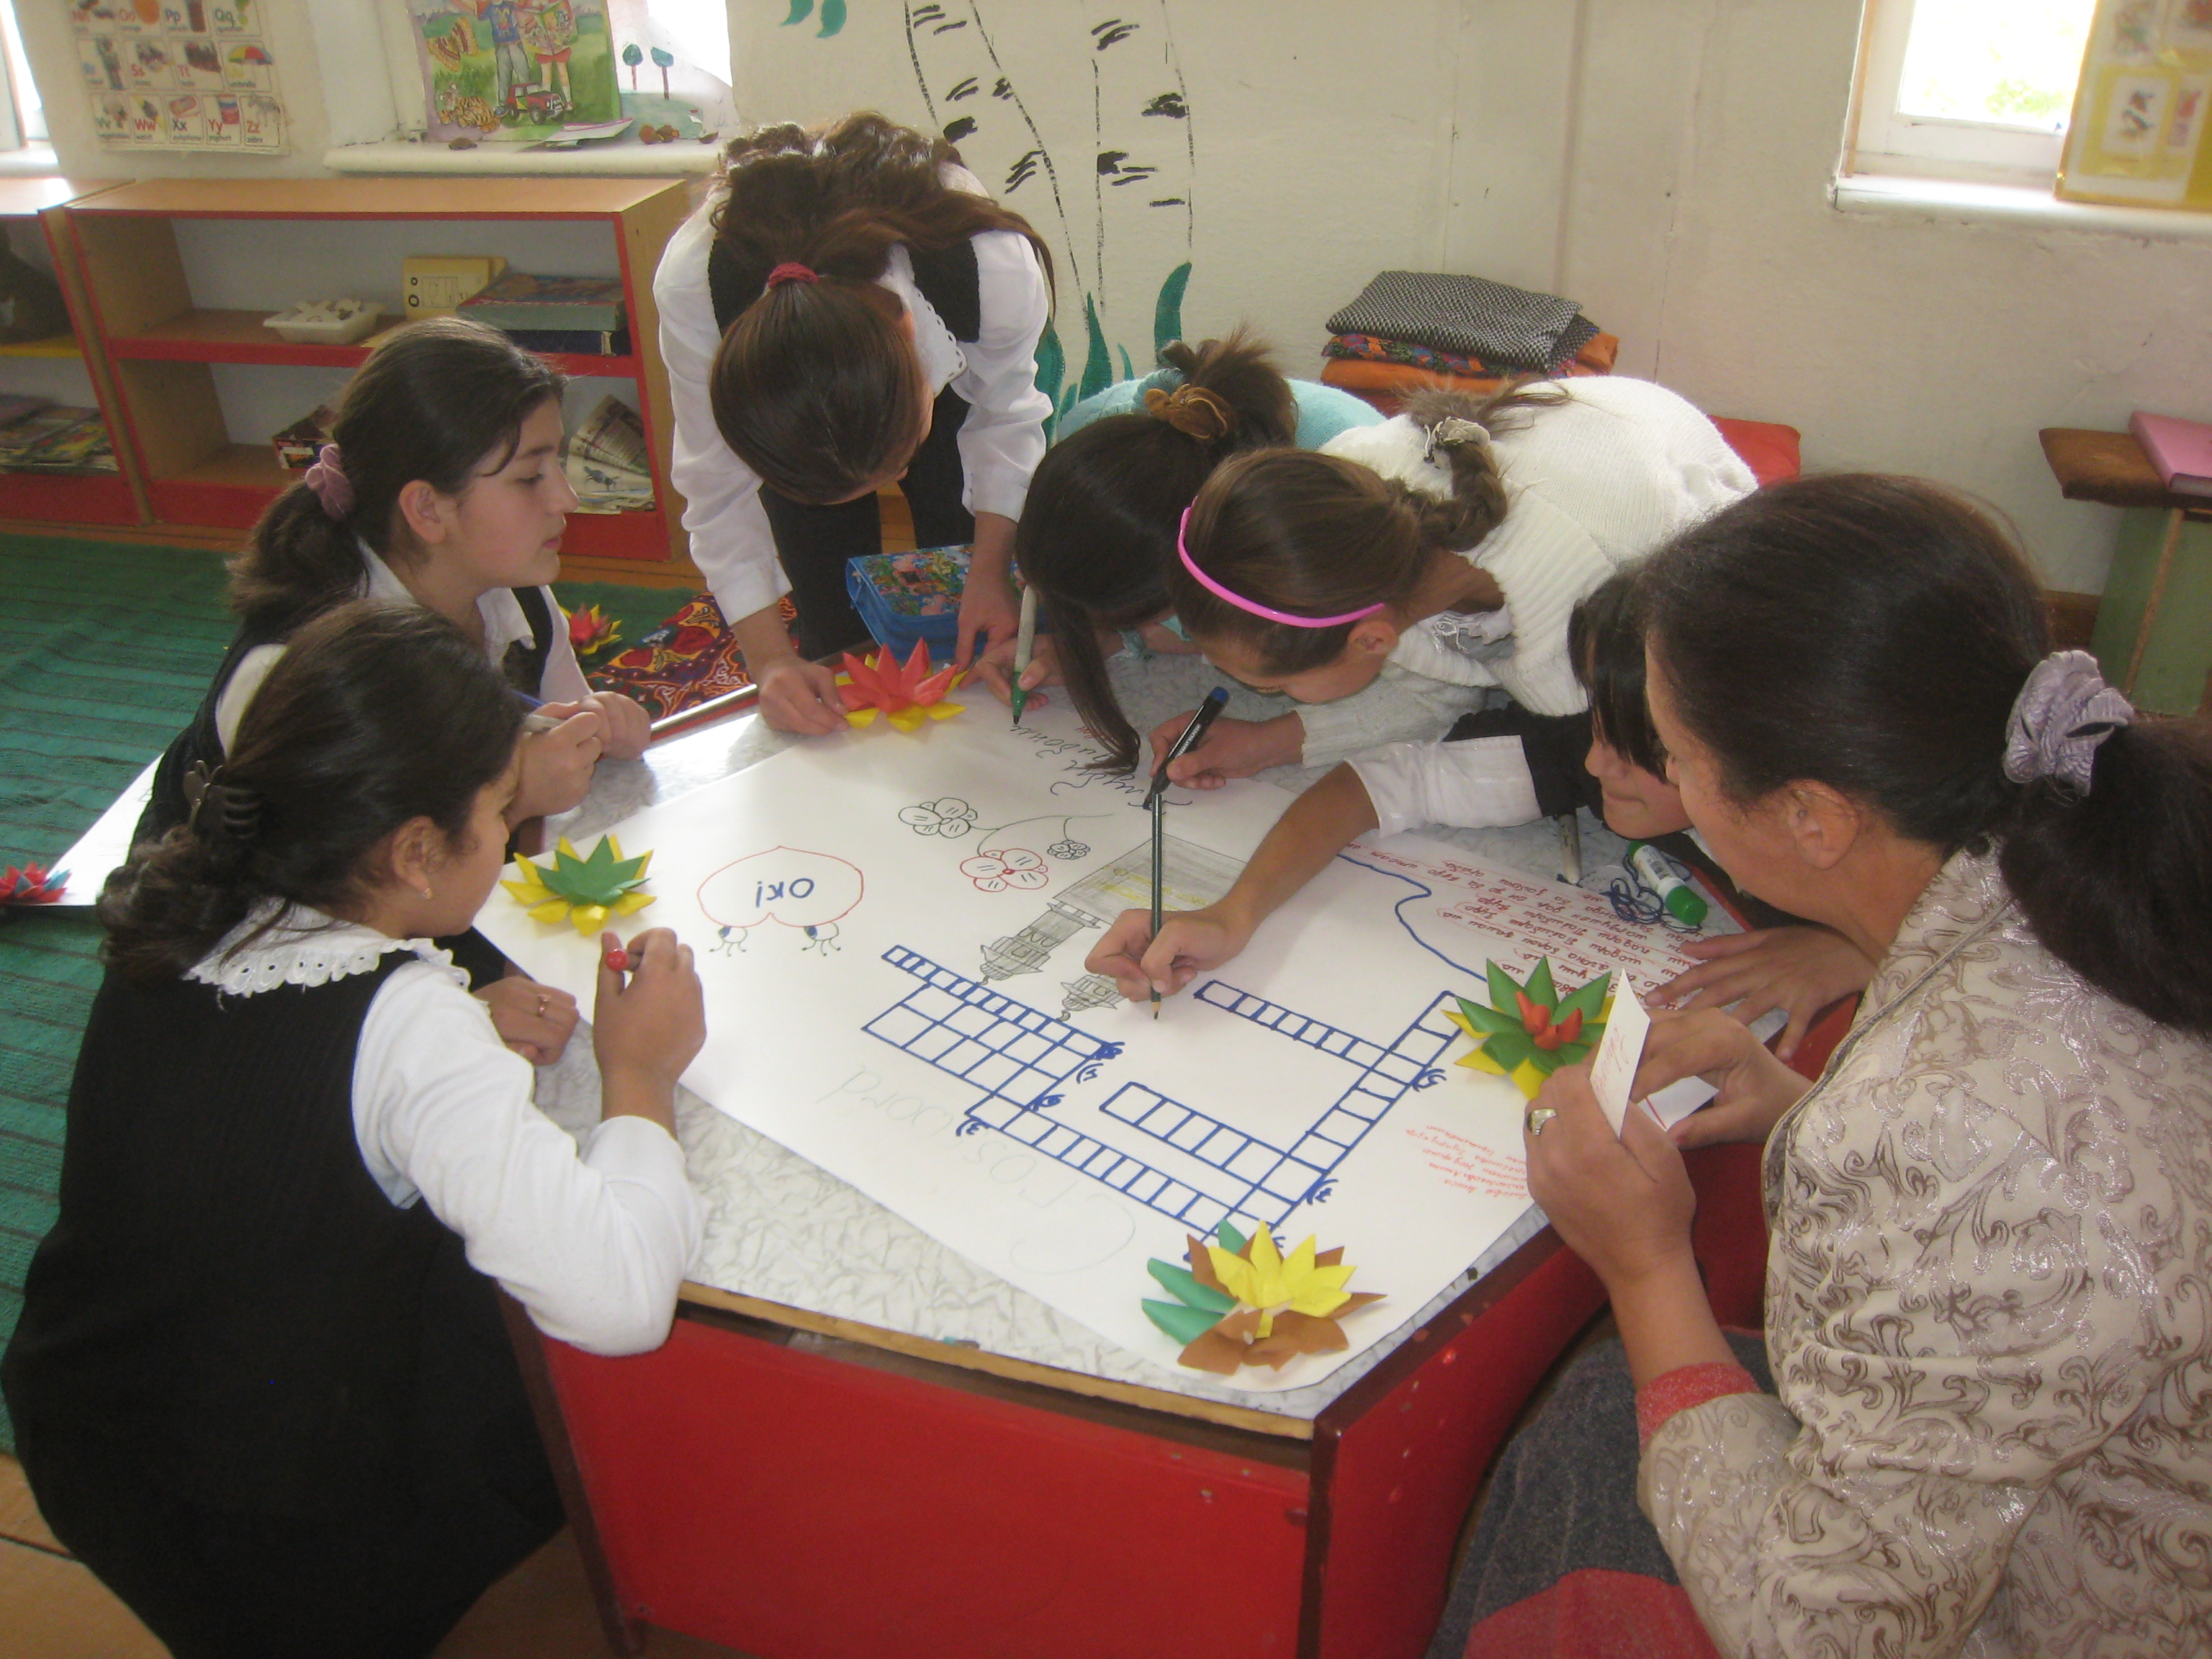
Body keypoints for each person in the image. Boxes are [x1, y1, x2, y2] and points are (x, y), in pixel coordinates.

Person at [1434, 475, 2212, 1658]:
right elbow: (2071, 1237)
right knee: (1598, 1416)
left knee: (1602, 1412)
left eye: (1680, 759)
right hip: (2082, 1475)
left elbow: (1820, 1631)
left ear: (1808, 815)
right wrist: (1801, 1103)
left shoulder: (1943, 1126)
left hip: (2074, 1606)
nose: (1668, 785)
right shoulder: (2070, 858)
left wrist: (1644, 1266)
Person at [2, 603, 706, 1659]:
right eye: (499, 809)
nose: (512, 830)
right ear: (419, 852)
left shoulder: (182, 903)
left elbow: (256, 1100)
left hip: (89, 1441)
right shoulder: (408, 1017)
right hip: (281, 1542)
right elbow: (622, 1302)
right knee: (551, 1323)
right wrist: (638, 1075)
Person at [1089, 571, 1873, 1063]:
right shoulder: (1600, 739)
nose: (1596, 765)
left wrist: (1862, 955)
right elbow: (1380, 785)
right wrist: (1234, 914)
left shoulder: (1887, 842)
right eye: (1595, 728)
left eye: (1639, 751)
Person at [137, 316, 646, 1034]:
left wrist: (598, 726)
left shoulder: (512, 591)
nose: (566, 497)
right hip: (277, 958)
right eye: (531, 475)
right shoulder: (300, 676)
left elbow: (560, 719)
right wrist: (462, 1003)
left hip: (437, 883)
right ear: (427, 509)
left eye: (556, 463)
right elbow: (315, 928)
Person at [655, 112, 1055, 733]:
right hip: (808, 375)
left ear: (911, 342)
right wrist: (771, 662)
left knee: (959, 556)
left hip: (930, 346)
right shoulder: (698, 286)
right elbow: (715, 486)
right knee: (829, 615)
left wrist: (989, 571)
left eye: (893, 462)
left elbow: (1005, 419)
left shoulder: (988, 268)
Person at [1151, 376, 1754, 786]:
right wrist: (1264, 743)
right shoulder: (1343, 514)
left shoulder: (1606, 593)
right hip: (1576, 440)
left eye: (1278, 686)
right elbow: (1436, 684)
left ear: (1372, 640)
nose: (1269, 693)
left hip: (1688, 487)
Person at [1004, 331, 1382, 769]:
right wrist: (1089, 639)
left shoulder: (1348, 498)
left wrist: (1268, 738)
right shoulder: (1088, 432)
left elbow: (1398, 671)